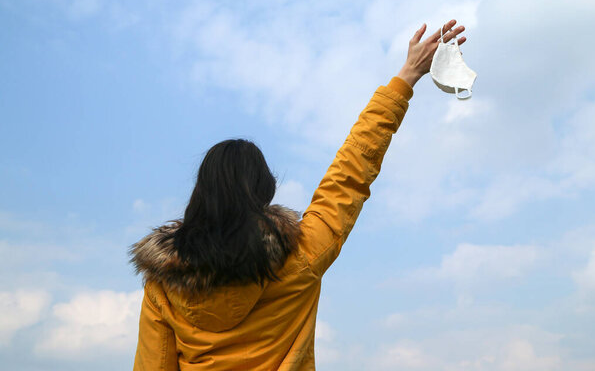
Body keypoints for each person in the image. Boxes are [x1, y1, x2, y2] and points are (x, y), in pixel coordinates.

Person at [129, 19, 467, 371]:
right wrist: (407, 76)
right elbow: (350, 173)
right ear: (263, 192)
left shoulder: (164, 284)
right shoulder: (302, 255)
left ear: (200, 196)